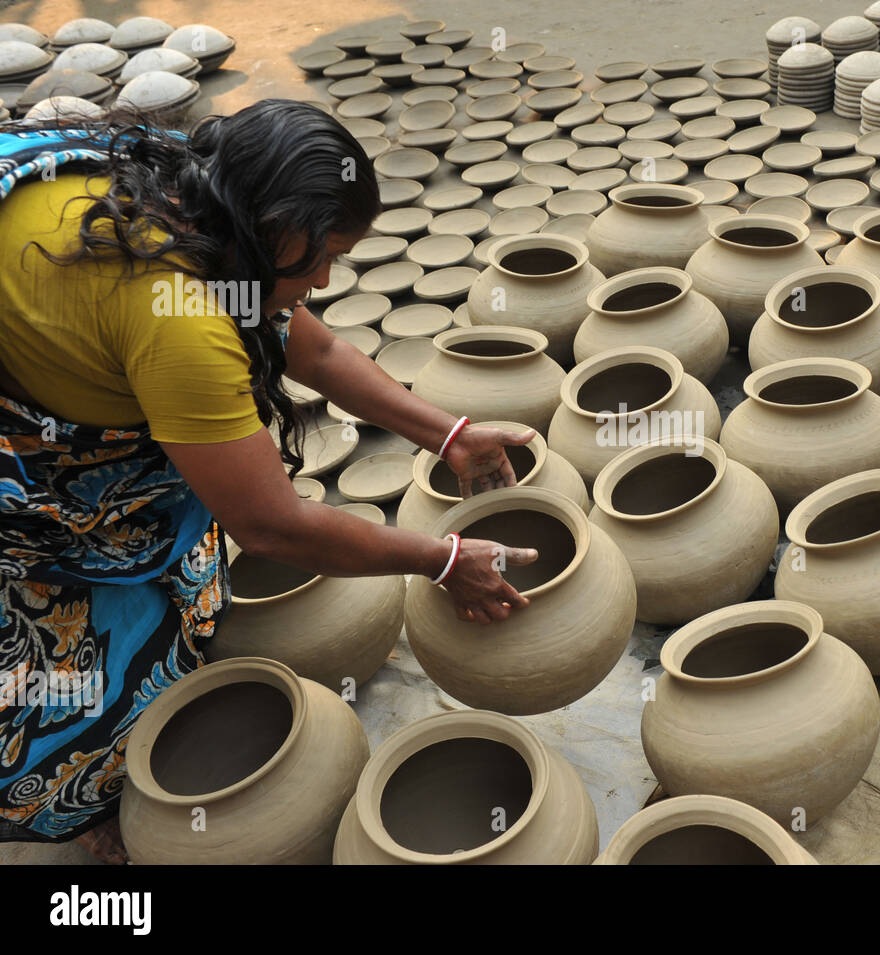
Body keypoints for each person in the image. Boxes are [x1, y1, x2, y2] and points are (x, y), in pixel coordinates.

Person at [0, 100, 534, 862]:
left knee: (178, 535)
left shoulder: (204, 192)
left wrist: (450, 435)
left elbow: (310, 353)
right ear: (267, 222)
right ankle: (84, 793)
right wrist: (443, 560)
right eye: (318, 256)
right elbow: (271, 526)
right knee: (67, 653)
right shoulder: (178, 315)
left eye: (339, 259)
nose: (321, 280)